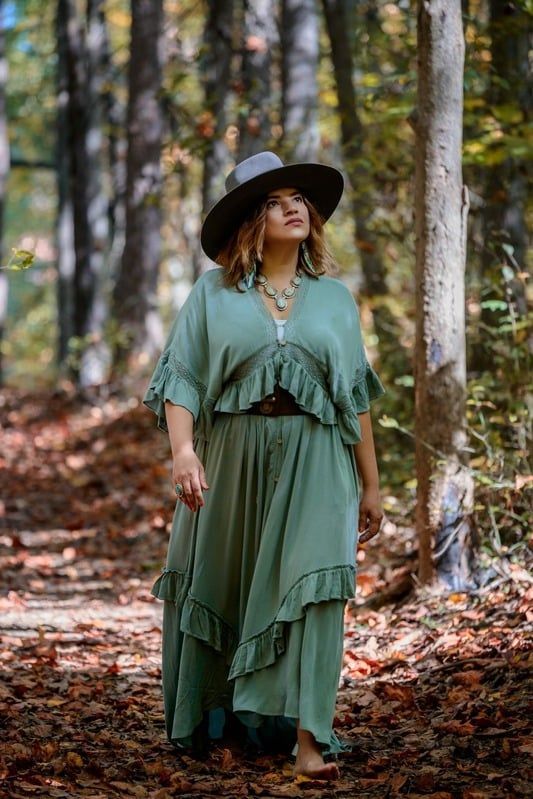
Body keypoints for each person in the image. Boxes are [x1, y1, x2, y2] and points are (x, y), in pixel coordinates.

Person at [143, 151, 386, 781]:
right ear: (253, 218)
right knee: (224, 579)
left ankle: (310, 741)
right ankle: (219, 718)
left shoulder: (335, 299)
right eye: (277, 201)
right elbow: (182, 379)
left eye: (300, 199)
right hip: (231, 453)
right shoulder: (211, 294)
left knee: (314, 592)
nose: (294, 207)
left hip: (318, 458)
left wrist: (372, 485)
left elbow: (355, 398)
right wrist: (183, 450)